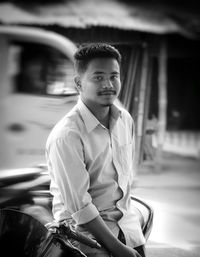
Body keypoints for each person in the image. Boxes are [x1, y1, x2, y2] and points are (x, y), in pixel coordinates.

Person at [45, 43, 146, 257]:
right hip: (84, 238)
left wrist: (130, 240)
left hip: (127, 226)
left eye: (114, 76)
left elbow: (124, 183)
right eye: (98, 77)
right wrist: (119, 249)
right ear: (79, 83)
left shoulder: (124, 120)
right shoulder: (67, 135)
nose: (108, 84)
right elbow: (80, 209)